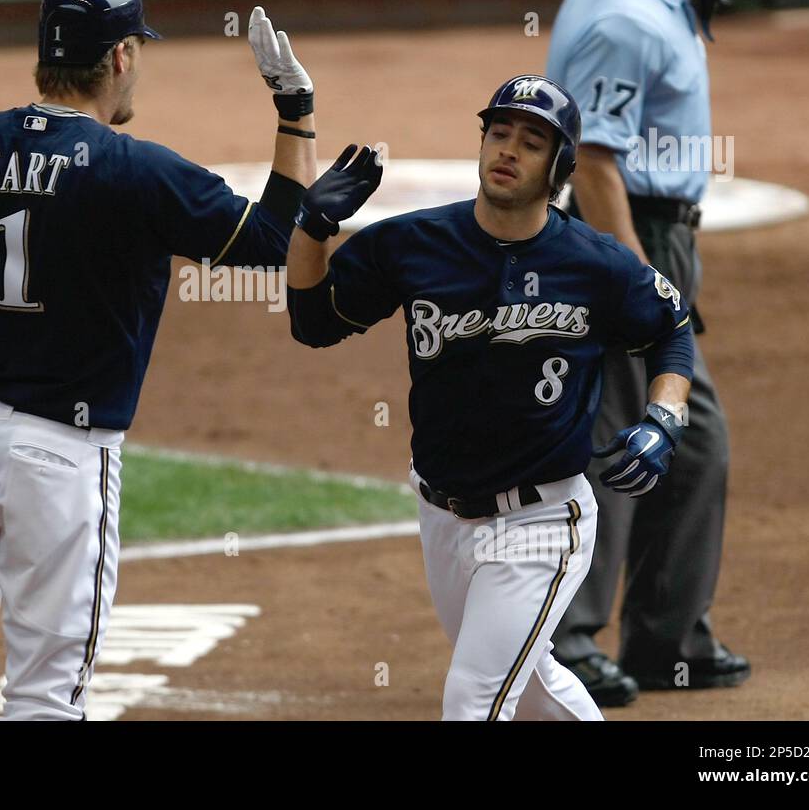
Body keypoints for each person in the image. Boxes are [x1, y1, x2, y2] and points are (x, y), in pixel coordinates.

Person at [0, 0, 319, 720]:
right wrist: (295, 113)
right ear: (123, 56)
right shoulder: (136, 170)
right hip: (58, 462)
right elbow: (273, 240)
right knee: (45, 699)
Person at [286, 75, 696, 720]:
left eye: (531, 142)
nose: (507, 149)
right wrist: (311, 227)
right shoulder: (414, 245)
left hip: (541, 523)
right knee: (531, 688)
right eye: (499, 133)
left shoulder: (597, 264)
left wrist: (664, 419)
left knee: (474, 698)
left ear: (560, 167)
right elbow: (313, 324)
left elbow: (670, 331)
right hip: (443, 514)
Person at [545, 0, 748, 706]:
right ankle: (569, 638)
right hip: (627, 233)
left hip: (658, 234)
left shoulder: (642, 1)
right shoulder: (624, 18)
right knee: (625, 430)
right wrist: (635, 276)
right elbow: (593, 161)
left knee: (691, 443)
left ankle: (668, 637)